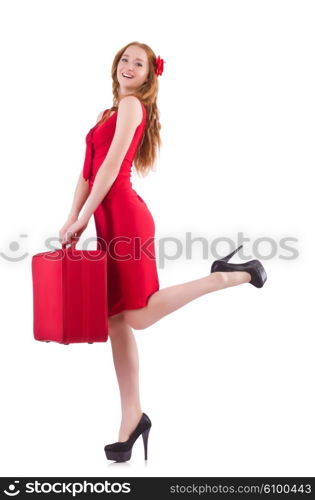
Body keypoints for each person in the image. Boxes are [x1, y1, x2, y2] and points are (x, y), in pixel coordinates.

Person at [59, 41, 267, 462]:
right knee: (114, 319)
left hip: (127, 220)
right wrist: (71, 217)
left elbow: (111, 168)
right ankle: (131, 418)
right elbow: (86, 172)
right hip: (105, 220)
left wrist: (84, 217)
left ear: (150, 75)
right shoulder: (108, 113)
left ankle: (229, 274)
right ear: (114, 65)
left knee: (137, 316)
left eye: (140, 63)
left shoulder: (133, 106)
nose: (130, 66)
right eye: (125, 59)